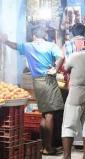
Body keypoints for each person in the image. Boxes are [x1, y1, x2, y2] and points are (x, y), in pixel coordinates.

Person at [0, 26, 64, 155]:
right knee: (50, 114)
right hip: (48, 80)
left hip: (37, 82)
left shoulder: (28, 46)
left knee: (44, 113)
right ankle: (48, 147)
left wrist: (5, 41)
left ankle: (44, 145)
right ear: (44, 35)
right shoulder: (50, 45)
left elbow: (15, 45)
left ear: (34, 35)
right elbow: (61, 57)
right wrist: (55, 69)